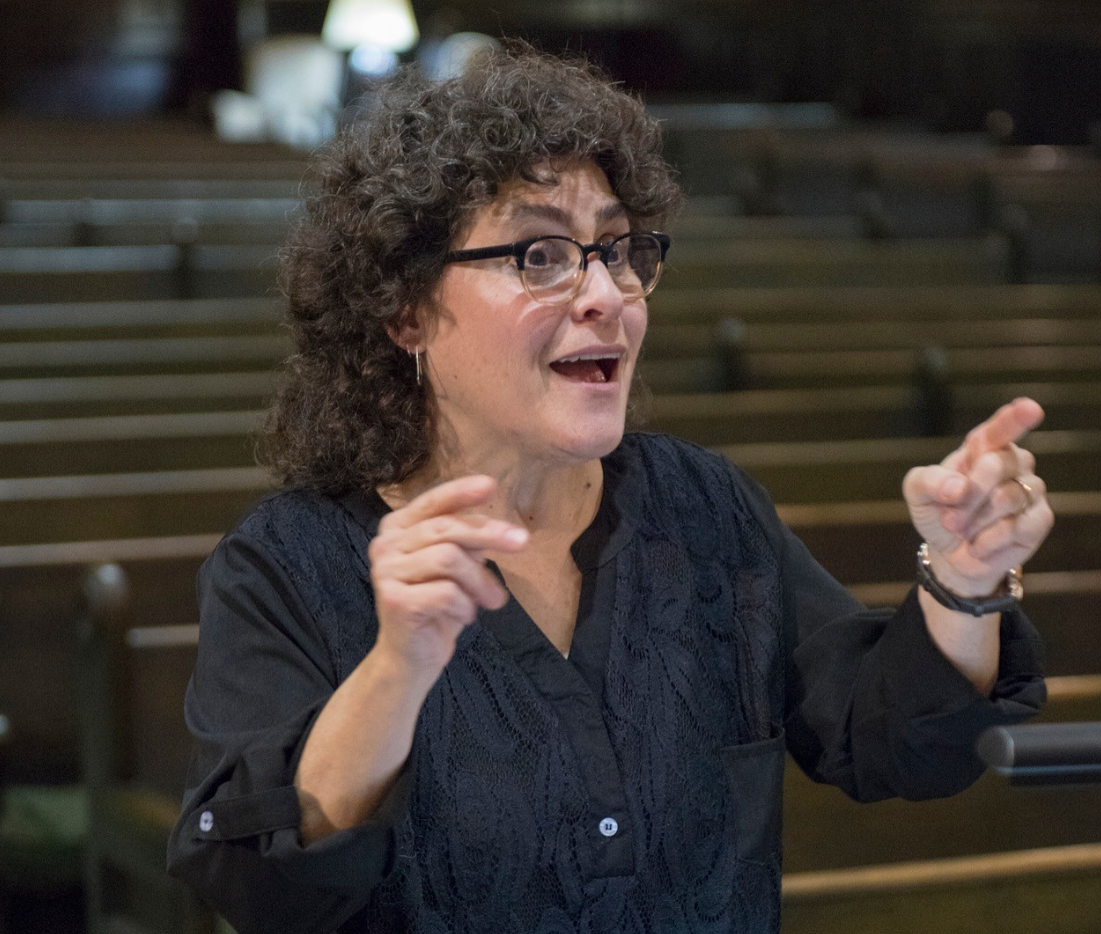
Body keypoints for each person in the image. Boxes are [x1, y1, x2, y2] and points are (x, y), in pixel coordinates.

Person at [167, 46, 1052, 934]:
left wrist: (962, 583)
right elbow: (264, 893)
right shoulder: (284, 567)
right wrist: (398, 668)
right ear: (406, 310)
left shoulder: (706, 510)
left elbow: (895, 744)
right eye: (542, 254)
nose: (606, 293)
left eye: (619, 250)